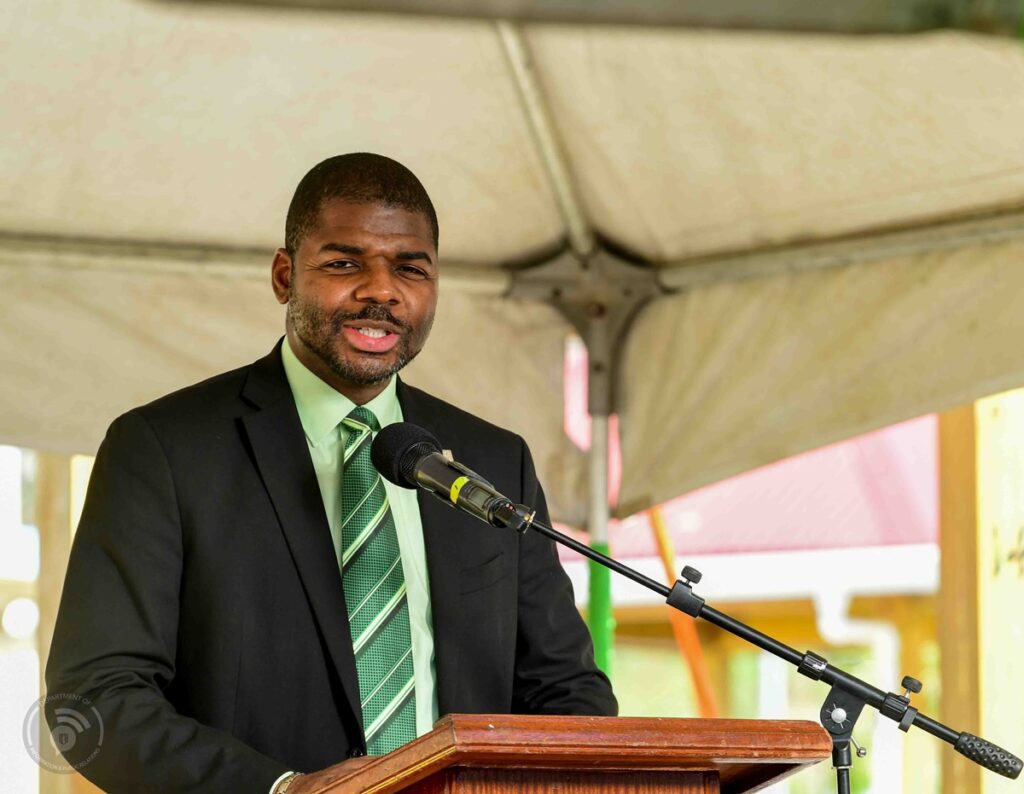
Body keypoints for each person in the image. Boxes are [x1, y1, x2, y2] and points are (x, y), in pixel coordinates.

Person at [45, 153, 616, 793]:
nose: (381, 290)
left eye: (410, 268)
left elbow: (566, 692)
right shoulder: (163, 449)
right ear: (285, 275)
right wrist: (283, 791)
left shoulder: (493, 460)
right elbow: (95, 696)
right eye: (344, 263)